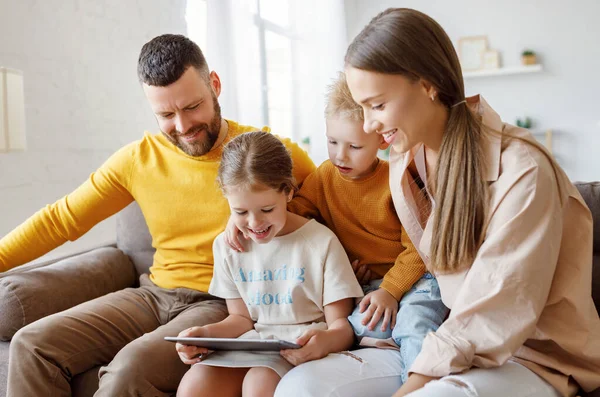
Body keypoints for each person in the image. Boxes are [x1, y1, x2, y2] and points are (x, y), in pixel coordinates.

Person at [275, 8, 600, 397]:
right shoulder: (404, 160)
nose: (367, 126)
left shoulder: (524, 171)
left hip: (530, 359)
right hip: (442, 342)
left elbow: (492, 315)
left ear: (428, 85)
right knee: (301, 388)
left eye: (377, 105)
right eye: (362, 107)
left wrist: (413, 383)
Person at [0, 34, 315, 396]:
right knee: (31, 344)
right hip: (152, 294)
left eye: (192, 106)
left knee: (127, 372)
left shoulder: (263, 155)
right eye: (166, 114)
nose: (182, 127)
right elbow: (61, 219)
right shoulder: (137, 160)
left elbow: (333, 196)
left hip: (222, 304)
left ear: (214, 85)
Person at [226, 72, 448, 383]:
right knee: (353, 329)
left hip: (413, 279)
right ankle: (386, 344)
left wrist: (390, 290)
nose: (340, 155)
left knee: (414, 323)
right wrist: (237, 218)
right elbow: (288, 212)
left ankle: (420, 383)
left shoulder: (397, 180)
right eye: (332, 142)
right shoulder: (323, 177)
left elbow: (419, 248)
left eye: (354, 146)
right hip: (366, 287)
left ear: (382, 139)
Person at [174, 131, 363, 397]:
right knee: (195, 385)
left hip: (302, 347)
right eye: (240, 212)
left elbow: (341, 327)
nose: (254, 224)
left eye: (266, 210)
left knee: (259, 383)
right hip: (255, 343)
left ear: (288, 192)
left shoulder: (320, 242)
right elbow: (241, 319)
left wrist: (326, 341)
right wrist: (203, 334)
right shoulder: (227, 246)